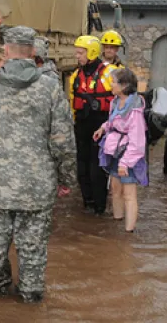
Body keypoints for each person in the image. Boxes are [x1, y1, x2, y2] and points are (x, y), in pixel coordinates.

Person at [0, 26, 76, 304]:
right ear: (33, 51)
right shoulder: (50, 88)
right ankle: (30, 296)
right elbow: (63, 140)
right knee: (33, 249)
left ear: (5, 50)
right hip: (37, 188)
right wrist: (66, 178)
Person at [93, 68, 147, 233]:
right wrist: (103, 128)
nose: (110, 84)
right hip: (115, 151)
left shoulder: (135, 109)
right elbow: (113, 121)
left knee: (129, 194)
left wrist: (126, 162)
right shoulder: (116, 102)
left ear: (124, 85)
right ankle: (117, 223)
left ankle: (128, 233)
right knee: (115, 190)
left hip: (128, 155)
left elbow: (137, 141)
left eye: (113, 82)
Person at [69, 35, 116, 215]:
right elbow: (73, 101)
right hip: (82, 124)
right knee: (82, 165)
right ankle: (87, 201)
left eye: (80, 53)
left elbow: (123, 99)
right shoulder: (76, 76)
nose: (77, 56)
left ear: (92, 52)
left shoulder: (110, 73)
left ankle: (100, 205)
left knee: (96, 167)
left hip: (101, 125)